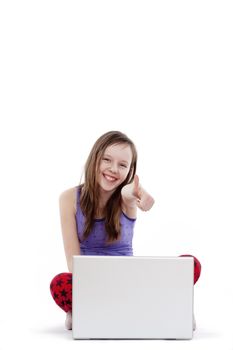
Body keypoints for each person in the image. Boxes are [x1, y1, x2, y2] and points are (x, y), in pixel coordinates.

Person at [49, 130, 201, 330]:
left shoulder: (125, 198)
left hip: (129, 283)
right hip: (92, 283)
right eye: (107, 160)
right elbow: (72, 262)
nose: (113, 169)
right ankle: (134, 309)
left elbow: (127, 193)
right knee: (59, 283)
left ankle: (99, 310)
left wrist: (137, 192)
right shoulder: (68, 199)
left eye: (122, 165)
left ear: (130, 171)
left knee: (191, 264)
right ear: (95, 158)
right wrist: (98, 287)